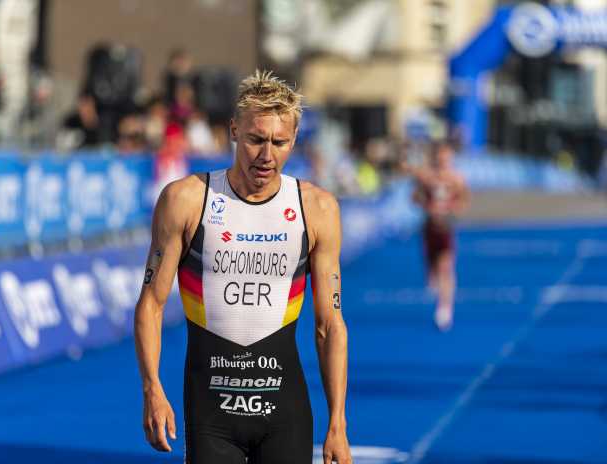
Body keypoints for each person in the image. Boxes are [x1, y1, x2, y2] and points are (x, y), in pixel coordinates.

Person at [134, 70, 352, 464]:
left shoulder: (317, 209)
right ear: (234, 130)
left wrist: (337, 422)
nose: (266, 155)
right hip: (211, 413)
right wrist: (152, 387)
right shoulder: (186, 200)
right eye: (255, 139)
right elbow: (150, 303)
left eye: (279, 142)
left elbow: (330, 325)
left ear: (294, 140)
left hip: (283, 411)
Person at [402, 140, 469, 332]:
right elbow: (414, 197)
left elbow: (464, 200)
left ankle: (445, 309)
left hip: (446, 228)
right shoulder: (427, 177)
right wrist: (427, 206)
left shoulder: (457, 178)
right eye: (440, 158)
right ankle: (435, 284)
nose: (443, 161)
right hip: (429, 228)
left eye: (446, 158)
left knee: (446, 266)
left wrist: (453, 209)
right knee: (432, 274)